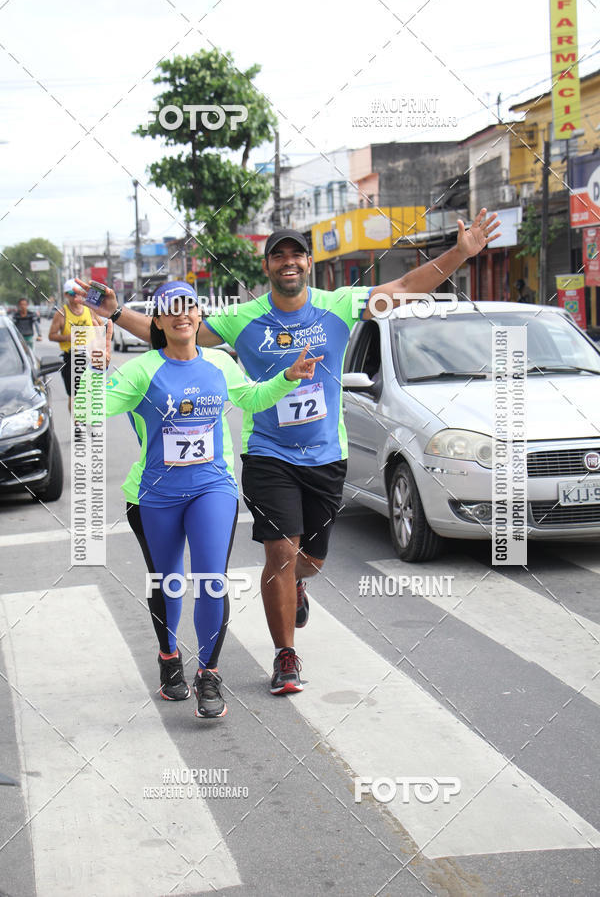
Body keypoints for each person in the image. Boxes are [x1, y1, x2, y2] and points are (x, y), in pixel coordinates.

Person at [74, 208, 500, 695]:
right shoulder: (244, 318)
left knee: (308, 560)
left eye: (297, 254)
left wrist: (459, 254)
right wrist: (113, 315)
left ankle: (298, 581)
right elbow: (174, 333)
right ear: (268, 267)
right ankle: (285, 656)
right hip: (268, 454)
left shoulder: (339, 304)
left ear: (309, 263)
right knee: (279, 553)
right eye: (279, 256)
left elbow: (403, 287)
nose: (289, 262)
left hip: (325, 455)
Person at [76, 280, 322, 718]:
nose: (181, 314)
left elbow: (252, 398)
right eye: (170, 308)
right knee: (168, 581)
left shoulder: (220, 363)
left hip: (213, 487)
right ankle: (169, 656)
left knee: (211, 580)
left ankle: (209, 674)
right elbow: (86, 412)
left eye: (188, 305)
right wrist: (95, 363)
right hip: (155, 494)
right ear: (157, 320)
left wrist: (287, 377)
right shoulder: (141, 371)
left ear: (198, 313)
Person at [48, 279, 99, 414]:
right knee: (75, 395)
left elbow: (100, 327)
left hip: (89, 357)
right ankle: (77, 423)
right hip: (71, 358)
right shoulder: (61, 314)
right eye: (72, 293)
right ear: (66, 295)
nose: (76, 296)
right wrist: (68, 337)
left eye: (78, 293)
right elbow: (51, 335)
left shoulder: (89, 310)